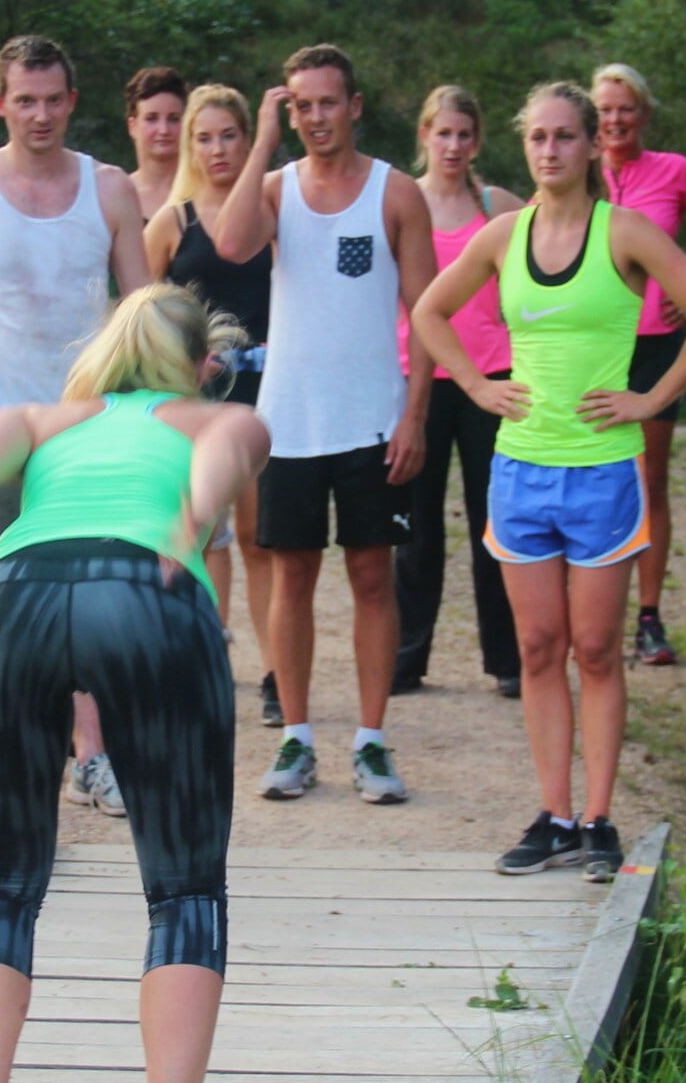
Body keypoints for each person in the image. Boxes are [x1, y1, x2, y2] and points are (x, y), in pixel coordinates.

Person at [0, 283, 268, 1083]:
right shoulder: (218, 414)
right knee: (184, 890)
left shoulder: (44, 418)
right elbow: (223, 454)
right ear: (205, 363)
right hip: (146, 593)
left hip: (6, 598)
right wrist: (191, 513)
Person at [411, 83, 686, 880]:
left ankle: (597, 818)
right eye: (538, 138)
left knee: (595, 649)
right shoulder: (500, 234)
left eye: (565, 137)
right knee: (535, 646)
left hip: (601, 470)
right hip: (521, 467)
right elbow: (427, 313)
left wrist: (652, 397)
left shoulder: (622, 231)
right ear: (522, 146)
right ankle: (553, 814)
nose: (550, 151)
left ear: (592, 146)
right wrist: (477, 385)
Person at [0, 34, 151, 820]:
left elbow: (143, 311)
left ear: (71, 103)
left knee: (86, 604)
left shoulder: (109, 191)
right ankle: (5, 769)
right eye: (25, 101)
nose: (39, 115)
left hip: (84, 428)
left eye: (53, 100)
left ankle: (93, 757)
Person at [211, 44, 434, 804]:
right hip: (291, 419)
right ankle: (296, 738)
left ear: (355, 105)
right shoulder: (273, 187)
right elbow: (233, 243)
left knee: (373, 577)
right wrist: (262, 141)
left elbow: (426, 312)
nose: (315, 117)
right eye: (300, 105)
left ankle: (370, 742)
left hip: (373, 418)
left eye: (326, 103)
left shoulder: (395, 192)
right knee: (292, 575)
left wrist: (415, 412)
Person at [591, 63, 686, 666]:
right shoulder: (577, 174)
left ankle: (649, 618)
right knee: (597, 476)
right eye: (604, 109)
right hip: (594, 347)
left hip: (655, 343)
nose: (614, 120)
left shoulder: (674, 171)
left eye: (625, 108)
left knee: (648, 478)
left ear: (645, 114)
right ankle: (594, 613)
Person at [144, 83, 278, 724]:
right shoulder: (171, 223)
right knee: (201, 531)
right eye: (205, 137)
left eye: (230, 135)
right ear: (190, 147)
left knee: (262, 537)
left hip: (264, 387)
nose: (218, 148)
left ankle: (280, 671)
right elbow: (143, 315)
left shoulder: (271, 211)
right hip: (193, 394)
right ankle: (206, 658)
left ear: (249, 139)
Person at [390, 85, 525, 702]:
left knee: (491, 521)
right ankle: (405, 656)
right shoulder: (401, 199)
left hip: (490, 381)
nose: (453, 145)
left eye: (464, 135)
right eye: (442, 133)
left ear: (478, 141)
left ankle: (508, 658)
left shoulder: (500, 207)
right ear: (424, 135)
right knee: (413, 527)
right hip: (415, 376)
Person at [126, 66, 188, 222]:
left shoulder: (204, 194)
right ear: (133, 126)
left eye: (173, 119)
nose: (163, 130)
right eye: (151, 118)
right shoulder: (116, 195)